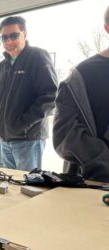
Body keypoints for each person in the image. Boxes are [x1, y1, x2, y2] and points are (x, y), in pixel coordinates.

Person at [0, 16, 58, 171]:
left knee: (28, 188)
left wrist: (22, 124)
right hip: (4, 139)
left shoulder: (38, 57)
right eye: (4, 37)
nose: (8, 41)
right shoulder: (2, 66)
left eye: (14, 36)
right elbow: (1, 99)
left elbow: (50, 97)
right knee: (9, 187)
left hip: (28, 140)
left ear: (25, 34)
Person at [52, 6, 109, 182]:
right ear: (107, 28)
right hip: (93, 185)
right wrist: (102, 162)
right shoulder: (81, 76)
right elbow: (63, 134)